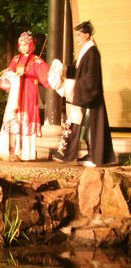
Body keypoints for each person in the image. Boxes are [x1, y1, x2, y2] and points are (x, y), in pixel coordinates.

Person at [52, 21, 116, 167]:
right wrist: (63, 71)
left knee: (89, 128)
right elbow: (78, 70)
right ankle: (90, 154)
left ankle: (94, 156)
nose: (77, 38)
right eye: (76, 35)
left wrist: (78, 90)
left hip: (90, 97)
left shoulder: (92, 52)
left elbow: (90, 78)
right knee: (86, 129)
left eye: (79, 35)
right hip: (85, 95)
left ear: (87, 35)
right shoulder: (86, 51)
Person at [0, 31, 52, 161]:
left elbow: (47, 76)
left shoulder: (36, 61)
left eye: (26, 44)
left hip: (29, 96)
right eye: (21, 44)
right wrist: (12, 75)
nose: (24, 46)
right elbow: (7, 73)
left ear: (31, 45)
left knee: (26, 121)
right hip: (16, 97)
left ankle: (26, 153)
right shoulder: (15, 59)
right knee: (13, 121)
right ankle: (13, 152)